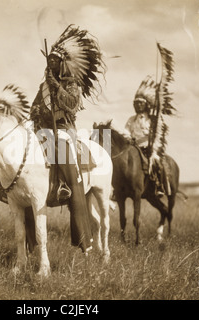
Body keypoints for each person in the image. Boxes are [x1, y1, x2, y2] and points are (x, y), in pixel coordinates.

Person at [30, 25, 106, 253]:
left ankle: (66, 187)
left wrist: (58, 89)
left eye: (55, 61)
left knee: (63, 154)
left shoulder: (71, 84)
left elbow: (72, 106)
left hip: (64, 130)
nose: (50, 64)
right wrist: (34, 113)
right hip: (42, 130)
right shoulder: (43, 86)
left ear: (62, 64)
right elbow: (35, 106)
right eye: (49, 61)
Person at [123, 75, 166, 197]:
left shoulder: (153, 120)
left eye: (140, 103)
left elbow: (158, 135)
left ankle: (159, 186)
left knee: (156, 162)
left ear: (146, 105)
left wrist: (153, 146)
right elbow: (125, 132)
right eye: (135, 103)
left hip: (149, 148)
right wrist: (130, 139)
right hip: (133, 147)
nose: (137, 106)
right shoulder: (131, 119)